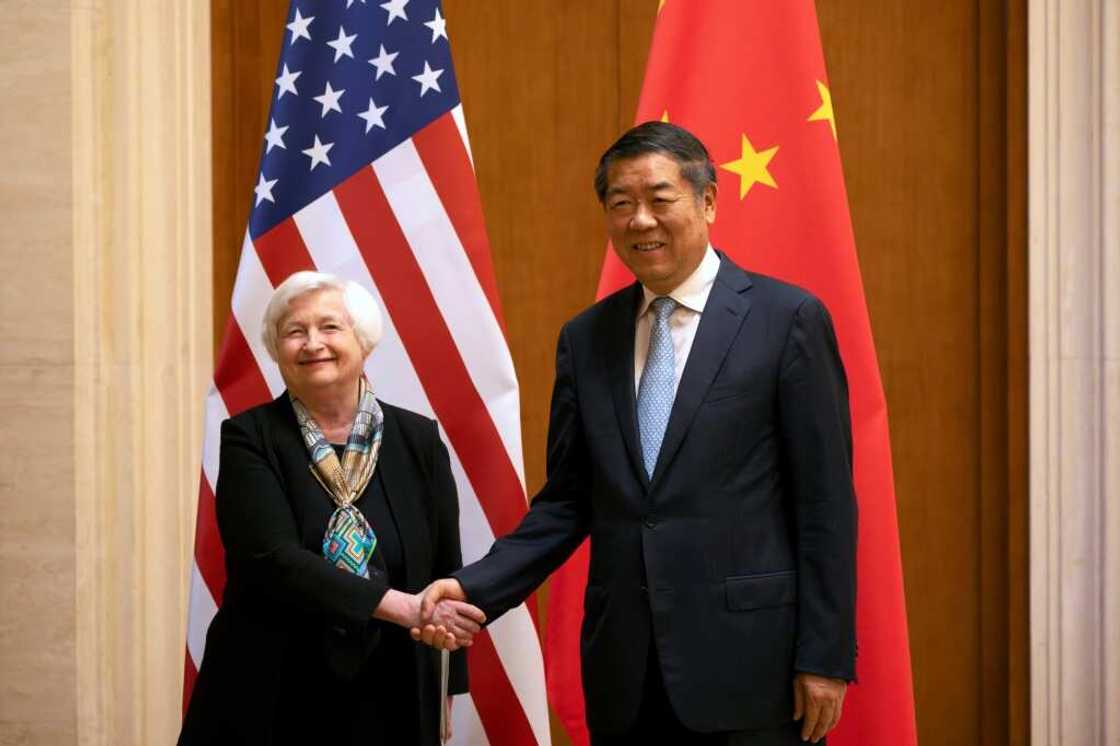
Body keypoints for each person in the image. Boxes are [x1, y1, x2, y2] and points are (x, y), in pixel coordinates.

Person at [416, 122, 857, 745]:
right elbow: (569, 501)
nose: (640, 221)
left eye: (659, 199)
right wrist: (474, 587)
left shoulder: (787, 321)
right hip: (625, 671)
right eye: (621, 204)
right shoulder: (586, 338)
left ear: (707, 202)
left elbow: (826, 505)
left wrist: (825, 656)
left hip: (754, 668)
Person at [180, 271, 485, 746]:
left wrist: (447, 683)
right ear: (278, 349)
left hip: (396, 686)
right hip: (273, 688)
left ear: (364, 342)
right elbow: (272, 559)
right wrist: (400, 608)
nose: (311, 343)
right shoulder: (249, 437)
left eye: (329, 327)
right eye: (294, 331)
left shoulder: (417, 438)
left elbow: (446, 564)